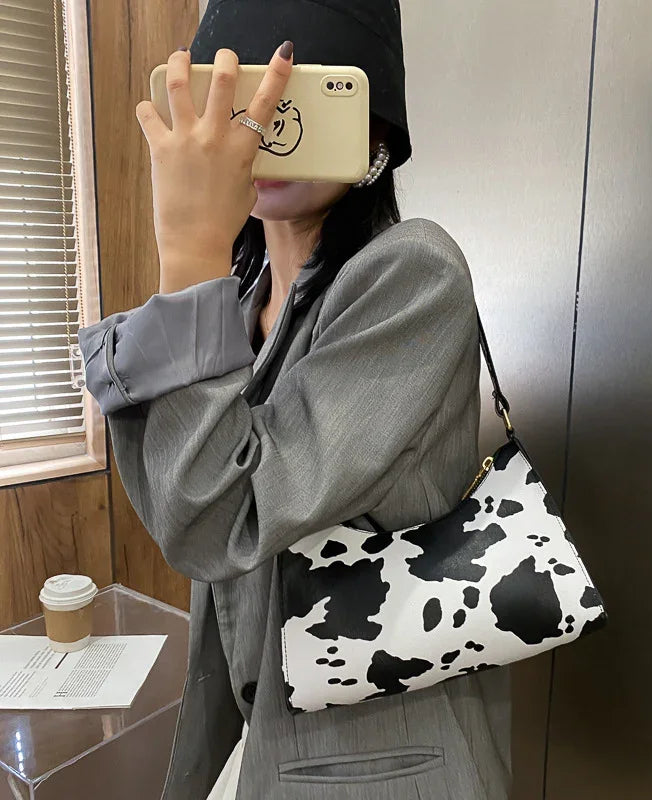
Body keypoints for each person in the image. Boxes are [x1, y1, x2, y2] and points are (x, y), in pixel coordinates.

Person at [77, 1, 513, 798]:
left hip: (388, 767)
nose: (261, 129)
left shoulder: (413, 274)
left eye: (303, 103)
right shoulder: (240, 301)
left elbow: (219, 517)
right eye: (236, 100)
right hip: (264, 743)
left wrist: (188, 252)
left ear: (376, 132)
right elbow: (178, 509)